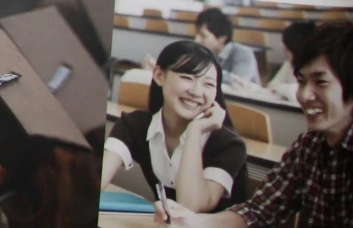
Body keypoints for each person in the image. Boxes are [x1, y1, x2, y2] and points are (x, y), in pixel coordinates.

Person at [163, 21, 353, 228]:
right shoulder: (310, 144)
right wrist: (195, 223)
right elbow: (258, 212)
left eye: (320, 83)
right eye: (301, 82)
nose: (305, 95)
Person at [101, 40, 248, 213]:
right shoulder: (134, 125)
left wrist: (194, 131)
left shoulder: (229, 145)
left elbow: (190, 208)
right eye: (187, 78)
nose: (196, 92)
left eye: (208, 84)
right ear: (159, 75)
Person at [192, 6, 261, 86]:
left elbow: (238, 82)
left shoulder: (243, 54)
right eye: (197, 34)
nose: (196, 40)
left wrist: (203, 72)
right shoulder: (204, 53)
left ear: (222, 38)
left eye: (203, 36)